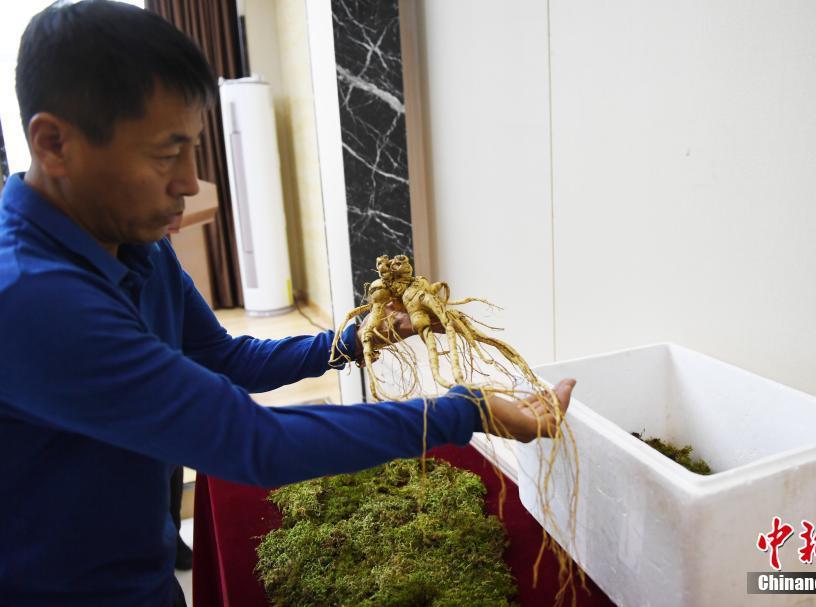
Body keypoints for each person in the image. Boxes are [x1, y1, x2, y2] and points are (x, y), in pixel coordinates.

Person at [0, 2, 576, 606]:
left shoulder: (133, 242)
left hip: (143, 578)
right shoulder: (34, 301)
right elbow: (256, 443)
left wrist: (351, 343)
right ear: (54, 143)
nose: (190, 184)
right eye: (166, 154)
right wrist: (470, 410)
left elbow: (225, 358)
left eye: (195, 149)